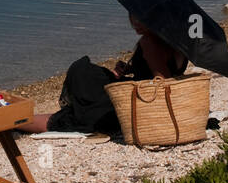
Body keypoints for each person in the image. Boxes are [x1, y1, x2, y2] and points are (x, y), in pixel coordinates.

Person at [20, 14, 188, 134]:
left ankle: (13, 121)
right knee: (92, 76)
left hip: (141, 103)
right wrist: (130, 70)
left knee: (81, 74)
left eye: (140, 16)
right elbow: (161, 70)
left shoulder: (150, 42)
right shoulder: (173, 39)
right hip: (144, 97)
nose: (134, 22)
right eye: (132, 15)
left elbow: (163, 81)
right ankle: (15, 119)